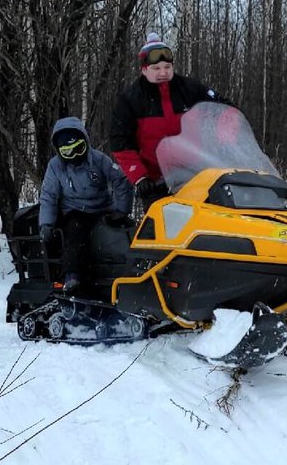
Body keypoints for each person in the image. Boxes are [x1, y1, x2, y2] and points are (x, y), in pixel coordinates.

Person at [109, 32, 229, 210]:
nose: (163, 73)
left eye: (167, 67)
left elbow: (224, 109)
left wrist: (226, 134)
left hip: (196, 175)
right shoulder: (130, 100)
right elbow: (120, 143)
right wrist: (140, 177)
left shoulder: (190, 89)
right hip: (156, 182)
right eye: (156, 69)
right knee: (163, 229)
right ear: (144, 69)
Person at [39, 116, 133, 293]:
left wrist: (122, 209)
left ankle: (134, 274)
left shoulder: (99, 159)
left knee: (128, 231)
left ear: (86, 143)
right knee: (75, 232)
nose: (75, 156)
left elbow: (121, 179)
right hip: (75, 211)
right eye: (68, 152)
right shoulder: (55, 166)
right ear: (60, 152)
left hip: (104, 209)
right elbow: (49, 196)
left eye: (79, 149)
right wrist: (46, 223)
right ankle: (72, 275)